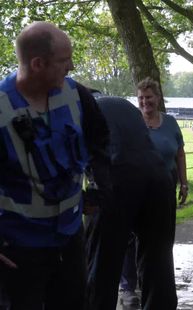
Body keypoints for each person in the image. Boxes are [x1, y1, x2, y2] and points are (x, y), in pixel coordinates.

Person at [0, 21, 111, 309]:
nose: (71, 67)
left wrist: (98, 188)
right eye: (64, 61)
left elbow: (99, 143)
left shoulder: (77, 95)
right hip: (18, 249)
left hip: (70, 239)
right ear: (38, 64)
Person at [84, 94, 177, 310]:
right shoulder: (122, 104)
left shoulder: (77, 108)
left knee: (102, 262)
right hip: (159, 178)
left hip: (118, 179)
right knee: (159, 260)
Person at [117, 77, 187, 306]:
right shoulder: (132, 122)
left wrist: (184, 183)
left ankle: (158, 291)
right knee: (130, 240)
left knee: (159, 243)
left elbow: (179, 153)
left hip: (164, 188)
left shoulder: (170, 123)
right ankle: (128, 287)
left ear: (158, 98)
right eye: (141, 98)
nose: (145, 102)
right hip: (136, 188)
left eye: (149, 97)